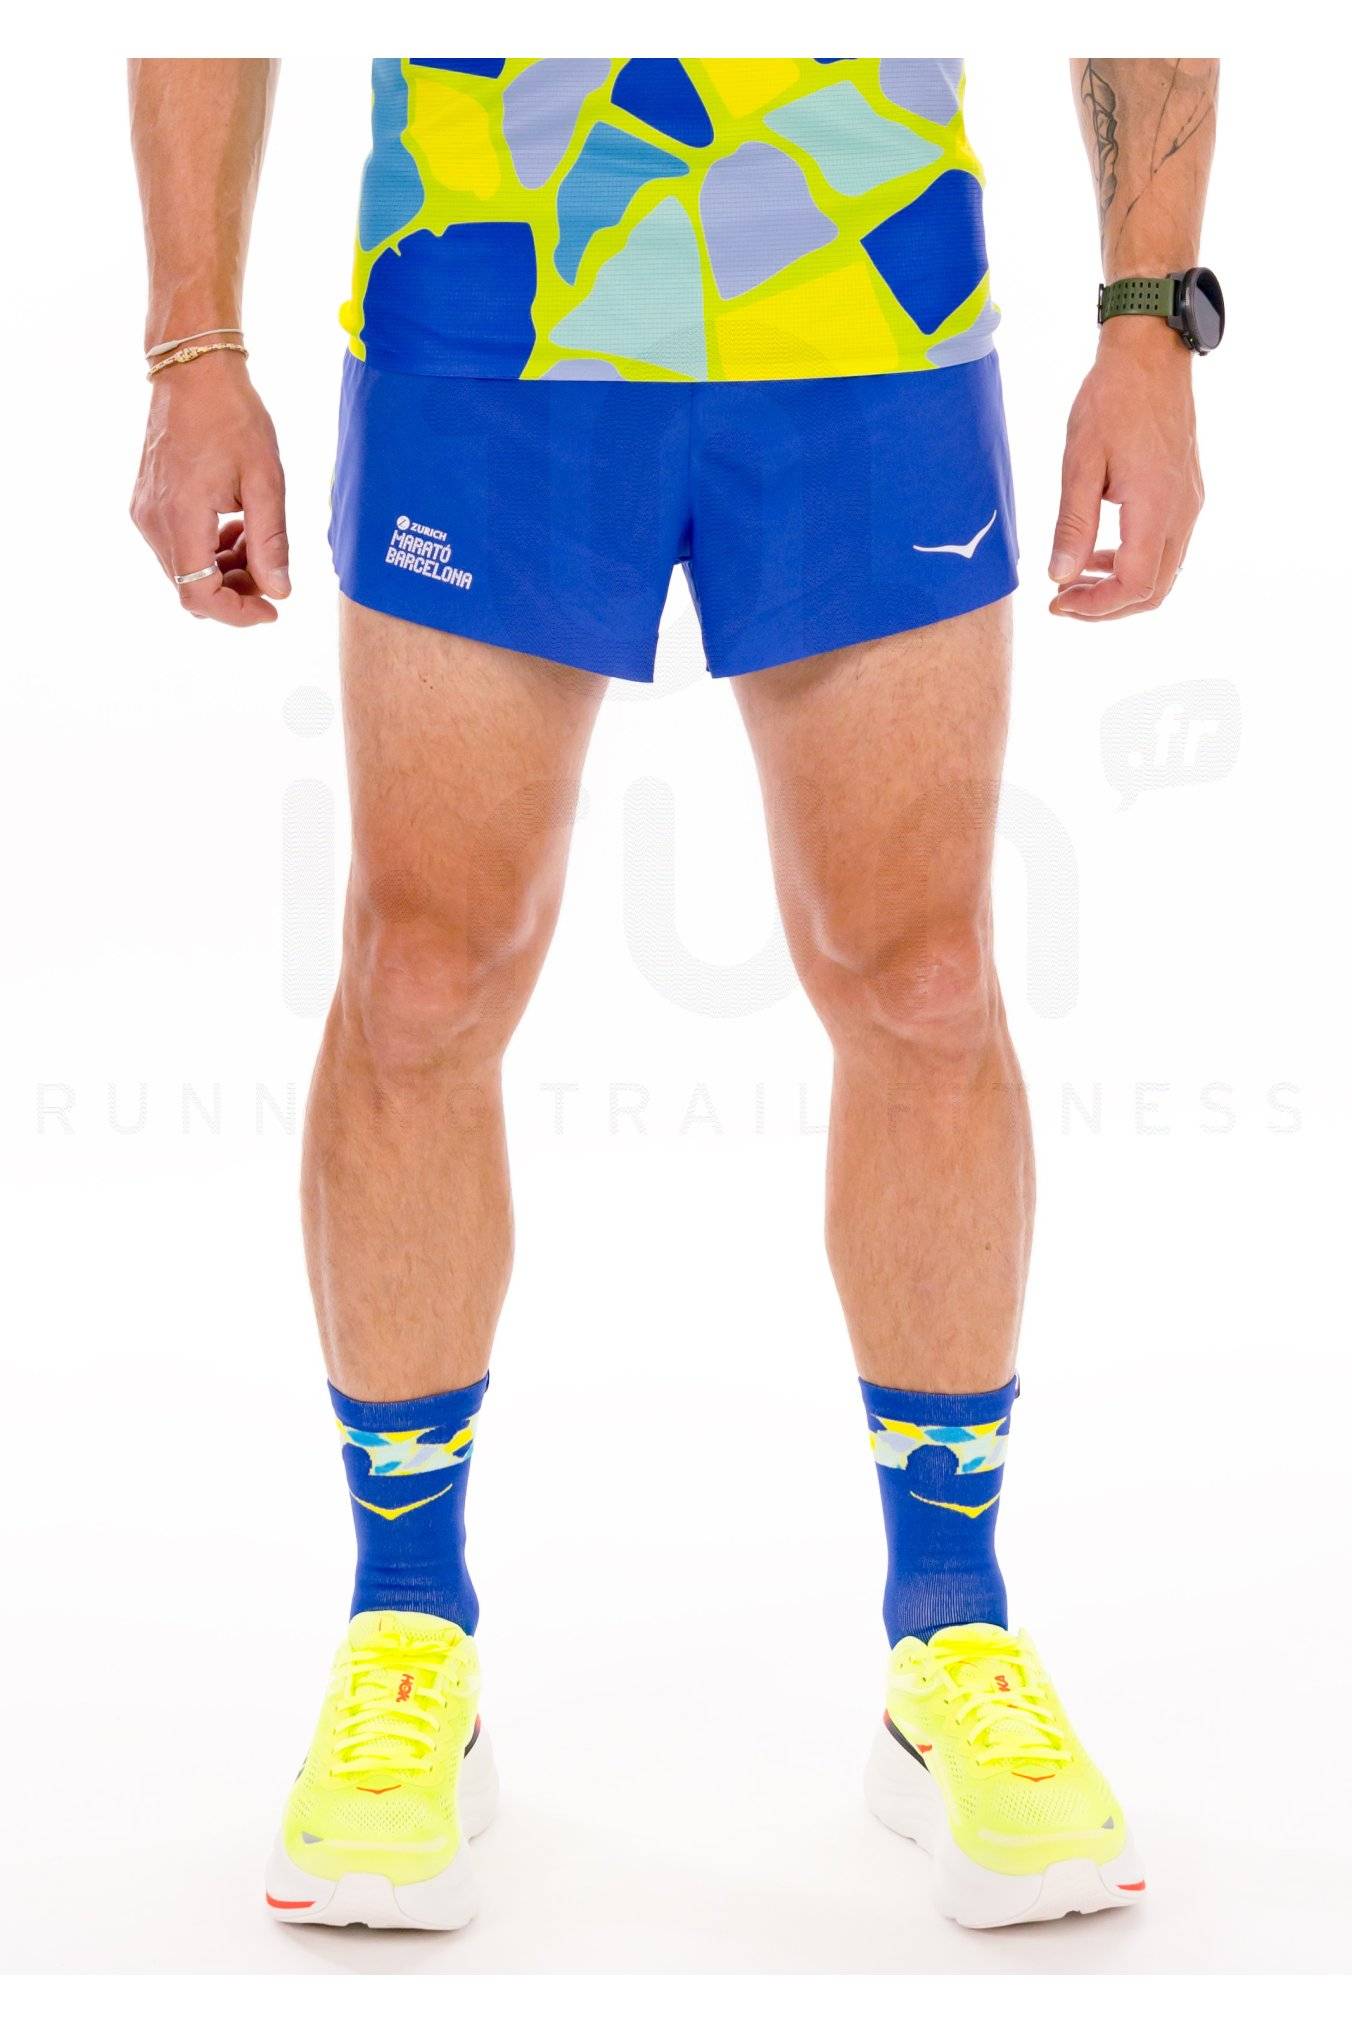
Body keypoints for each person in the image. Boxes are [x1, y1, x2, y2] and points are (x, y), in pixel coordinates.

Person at [129, 57, 1220, 1933]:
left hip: (870, 299)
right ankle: (408, 1627)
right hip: (489, 295)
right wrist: (189, 345)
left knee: (926, 974)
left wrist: (1149, 319)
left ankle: (949, 1632)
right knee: (422, 974)